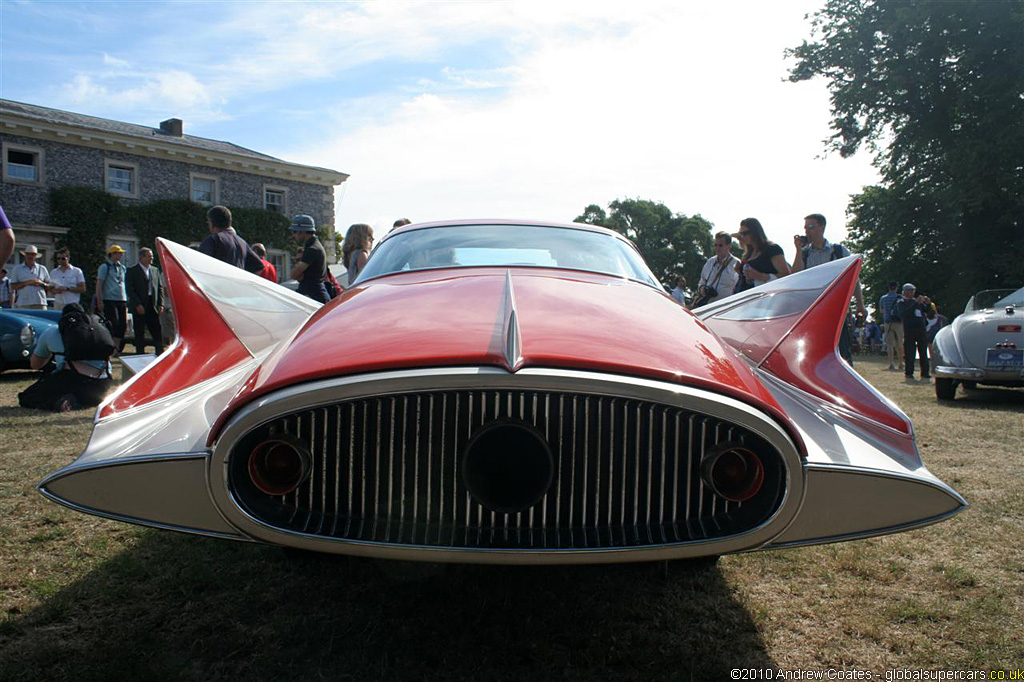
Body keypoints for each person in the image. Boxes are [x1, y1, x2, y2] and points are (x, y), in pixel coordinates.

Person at [790, 213, 866, 365]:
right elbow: (795, 276)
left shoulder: (839, 251)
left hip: (836, 308)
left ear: (822, 227)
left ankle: (844, 383)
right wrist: (798, 250)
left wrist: (860, 304)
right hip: (812, 309)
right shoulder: (804, 254)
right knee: (813, 350)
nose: (807, 231)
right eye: (805, 228)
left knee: (842, 350)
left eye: (811, 227)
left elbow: (854, 278)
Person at [18, 303, 113, 412]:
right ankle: (90, 400)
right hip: (103, 382)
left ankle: (60, 402)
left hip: (73, 379)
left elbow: (35, 365)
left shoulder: (52, 331)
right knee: (87, 396)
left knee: (27, 397)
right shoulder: (97, 331)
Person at [199, 205, 264, 273]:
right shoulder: (242, 243)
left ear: (212, 222)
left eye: (208, 222)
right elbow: (258, 266)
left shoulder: (213, 240)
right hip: (236, 282)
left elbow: (200, 265)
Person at [126, 247, 165, 355]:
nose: (151, 258)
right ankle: (140, 355)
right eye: (149, 256)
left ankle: (160, 354)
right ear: (141, 257)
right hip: (139, 305)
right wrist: (138, 304)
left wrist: (160, 304)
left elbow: (160, 288)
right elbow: (130, 289)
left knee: (157, 331)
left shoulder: (155, 270)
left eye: (151, 256)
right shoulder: (132, 271)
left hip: (152, 305)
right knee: (139, 333)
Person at [733, 218, 789, 291]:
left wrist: (761, 276)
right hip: (750, 294)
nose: (742, 237)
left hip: (768, 295)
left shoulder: (772, 249)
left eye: (745, 233)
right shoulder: (748, 253)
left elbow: (786, 275)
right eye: (741, 234)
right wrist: (739, 270)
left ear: (755, 232)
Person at [288, 214, 329, 304]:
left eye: (294, 232)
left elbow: (294, 275)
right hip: (314, 292)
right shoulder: (313, 247)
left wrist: (299, 270)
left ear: (302, 232)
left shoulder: (312, 249)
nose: (294, 235)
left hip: (313, 295)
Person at [895, 283, 930, 382]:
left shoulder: (917, 302)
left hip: (921, 329)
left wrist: (927, 304)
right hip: (909, 329)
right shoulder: (901, 302)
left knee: (923, 352)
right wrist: (915, 304)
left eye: (913, 290)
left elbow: (927, 312)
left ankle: (925, 372)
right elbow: (904, 314)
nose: (912, 293)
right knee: (910, 352)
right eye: (910, 290)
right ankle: (909, 373)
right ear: (905, 291)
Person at [95, 244, 128, 352]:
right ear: (112, 254)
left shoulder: (122, 268)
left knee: (123, 324)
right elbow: (99, 284)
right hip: (109, 299)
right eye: (118, 253)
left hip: (121, 298)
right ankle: (110, 345)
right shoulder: (105, 267)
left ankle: (117, 347)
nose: (121, 255)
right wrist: (99, 301)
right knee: (113, 322)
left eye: (121, 253)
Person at [694, 231, 740, 307]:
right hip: (706, 306)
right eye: (715, 245)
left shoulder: (736, 264)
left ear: (729, 246)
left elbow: (738, 289)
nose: (717, 248)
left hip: (723, 309)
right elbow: (702, 281)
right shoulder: (710, 262)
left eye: (720, 245)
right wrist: (702, 289)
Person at [10, 244, 50, 309]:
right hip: (23, 303)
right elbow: (13, 286)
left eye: (32, 254)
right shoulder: (17, 269)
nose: (30, 256)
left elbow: (50, 286)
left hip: (39, 302)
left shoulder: (42, 268)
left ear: (36, 256)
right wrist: (27, 283)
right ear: (25, 255)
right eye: (28, 254)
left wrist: (41, 283)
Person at [878, 281, 904, 370]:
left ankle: (891, 363)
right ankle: (901, 362)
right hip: (898, 322)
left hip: (888, 322)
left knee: (890, 344)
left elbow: (881, 311)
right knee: (900, 343)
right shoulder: (900, 297)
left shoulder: (883, 298)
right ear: (896, 288)